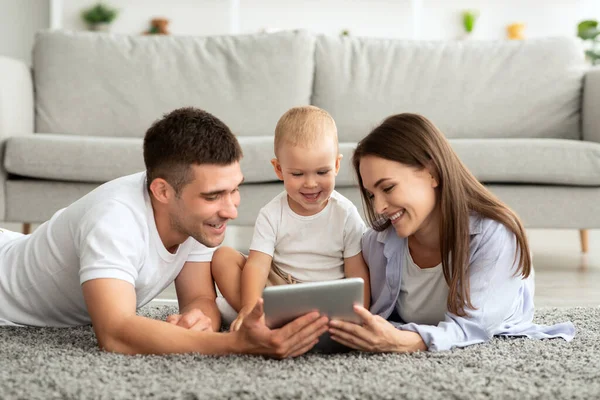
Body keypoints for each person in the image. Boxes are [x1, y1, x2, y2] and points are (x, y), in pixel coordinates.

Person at [0, 107, 328, 357]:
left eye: (234, 190)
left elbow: (199, 298)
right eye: (214, 196)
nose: (231, 210)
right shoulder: (114, 221)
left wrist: (197, 321)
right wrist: (232, 343)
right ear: (162, 191)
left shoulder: (198, 220)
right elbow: (114, 333)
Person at [328, 113, 576, 352]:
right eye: (372, 194)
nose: (378, 207)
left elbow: (474, 327)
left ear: (432, 173)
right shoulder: (376, 243)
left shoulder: (495, 235)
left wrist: (404, 342)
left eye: (388, 188)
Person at [212, 106, 370, 331]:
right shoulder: (272, 213)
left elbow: (357, 273)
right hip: (279, 288)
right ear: (279, 169)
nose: (311, 183)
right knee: (223, 257)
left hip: (329, 294)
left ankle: (283, 322)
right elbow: (258, 265)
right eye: (297, 174)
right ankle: (256, 317)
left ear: (336, 165)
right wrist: (249, 307)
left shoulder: (346, 214)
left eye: (322, 172)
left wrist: (361, 316)